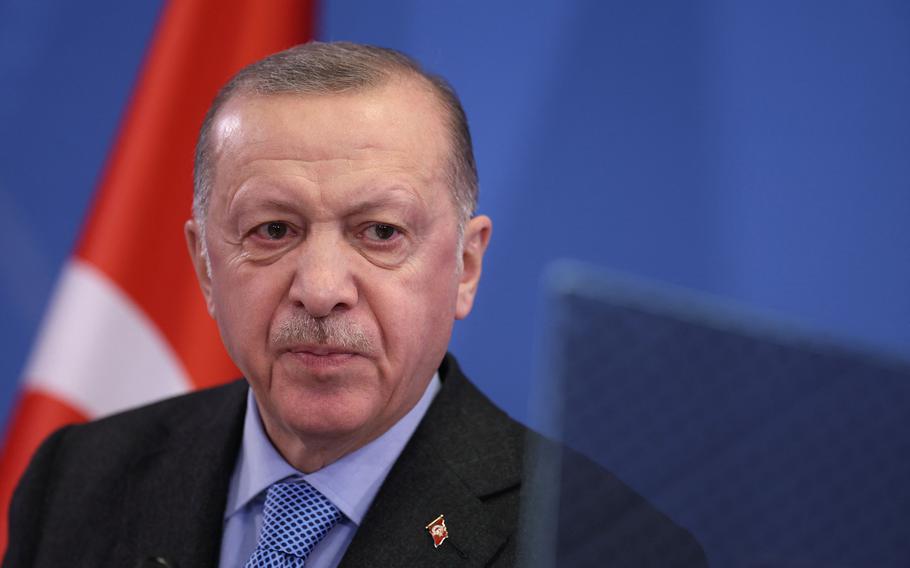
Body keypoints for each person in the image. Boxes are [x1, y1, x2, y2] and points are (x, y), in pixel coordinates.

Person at [3, 42, 707, 567]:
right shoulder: (78, 478)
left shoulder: (599, 546)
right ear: (205, 266)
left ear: (465, 266)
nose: (321, 287)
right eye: (273, 230)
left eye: (379, 233)